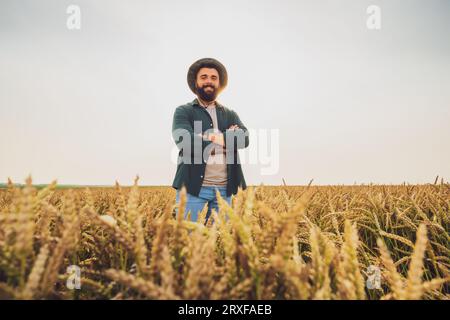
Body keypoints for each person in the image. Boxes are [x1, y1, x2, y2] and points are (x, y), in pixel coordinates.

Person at [172, 57, 249, 224]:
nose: (209, 81)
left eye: (214, 78)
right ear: (196, 82)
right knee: (187, 239)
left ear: (219, 83)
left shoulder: (229, 114)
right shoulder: (184, 111)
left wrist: (206, 138)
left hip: (224, 190)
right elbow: (184, 141)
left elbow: (244, 139)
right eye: (204, 77)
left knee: (219, 240)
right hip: (191, 189)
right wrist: (226, 139)